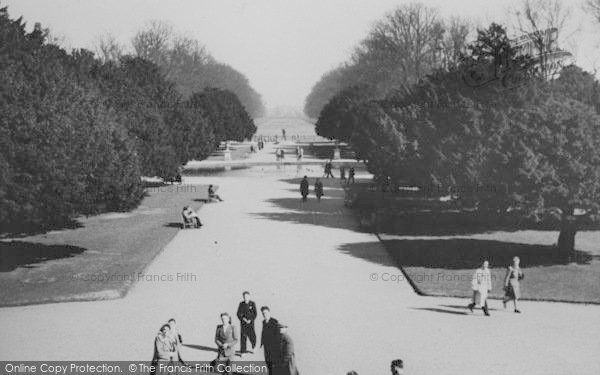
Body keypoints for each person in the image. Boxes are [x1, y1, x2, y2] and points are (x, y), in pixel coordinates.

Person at [260, 306, 280, 375]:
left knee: (273, 364)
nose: (264, 314)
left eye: (265, 313)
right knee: (267, 362)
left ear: (269, 312)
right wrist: (262, 342)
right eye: (263, 313)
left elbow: (277, 335)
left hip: (273, 347)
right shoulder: (263, 322)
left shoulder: (274, 321)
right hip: (266, 346)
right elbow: (263, 332)